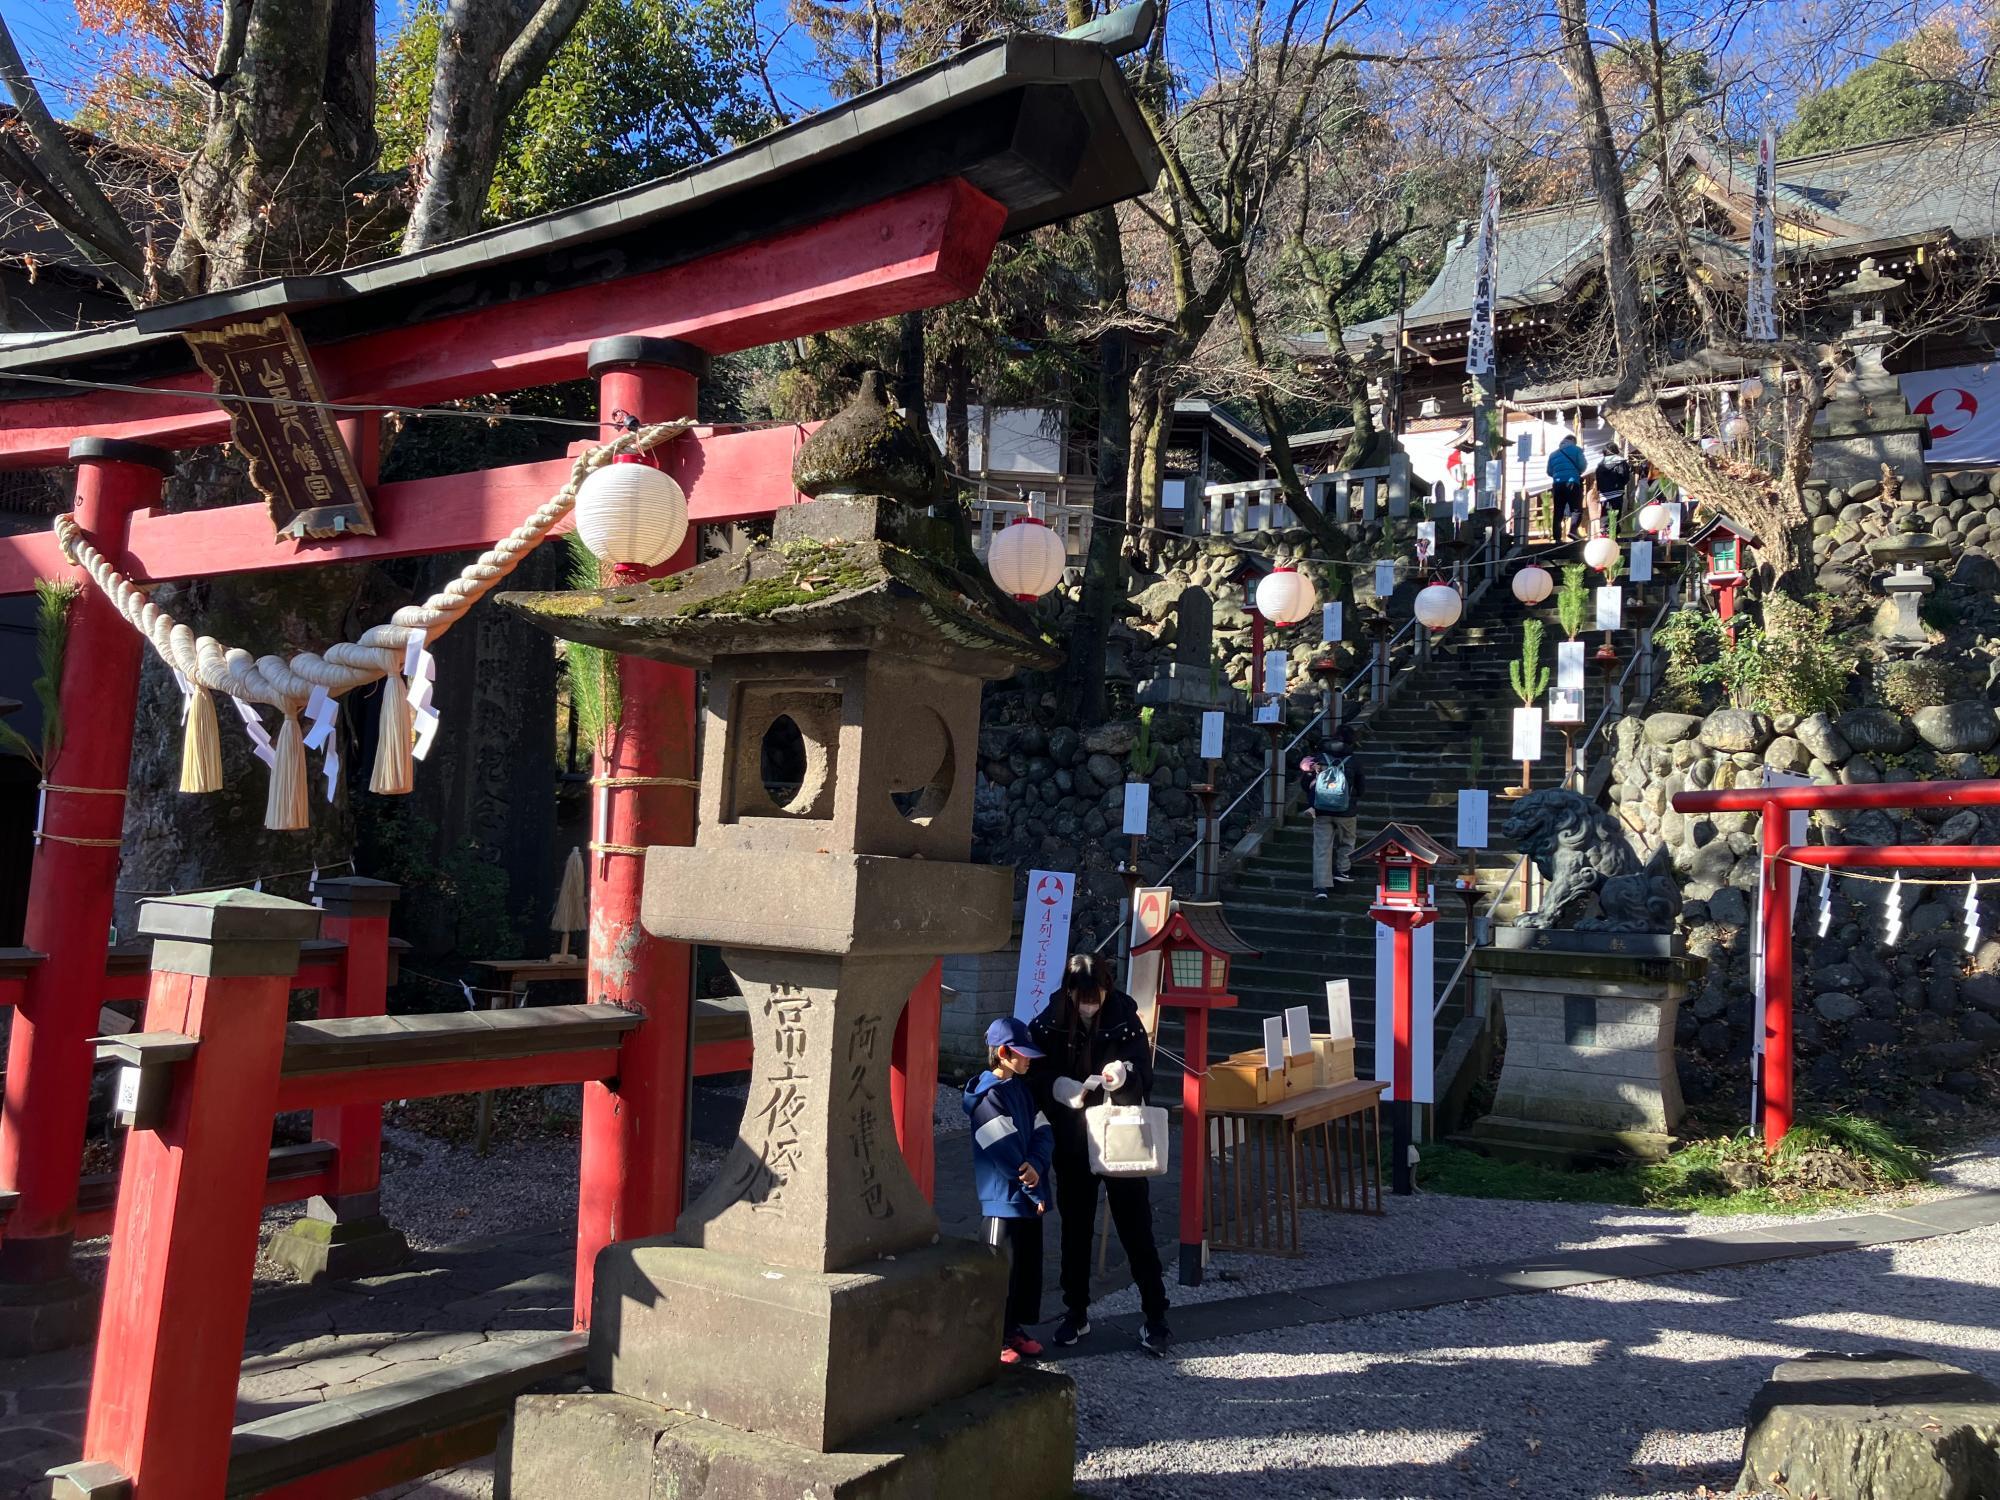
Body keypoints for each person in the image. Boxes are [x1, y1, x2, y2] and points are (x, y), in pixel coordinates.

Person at [1029, 953, 1171, 1355]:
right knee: (1075, 1228)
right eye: (1083, 996)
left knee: (1135, 1225)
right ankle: (1075, 1312)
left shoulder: (1124, 1013)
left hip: (1119, 1136)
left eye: (1097, 995)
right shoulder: (1051, 1016)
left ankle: (1156, 1315)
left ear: (1108, 988)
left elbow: (1144, 1074)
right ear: (1070, 991)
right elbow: (1033, 1072)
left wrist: (1123, 1077)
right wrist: (1058, 1087)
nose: (1090, 1003)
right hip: (1073, 1139)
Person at [965, 1016, 1053, 1365]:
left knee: (1025, 1268)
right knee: (1000, 1270)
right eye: (1022, 1053)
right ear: (1003, 1053)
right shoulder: (987, 1097)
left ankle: (1012, 1328)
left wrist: (1036, 1164)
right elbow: (1004, 1151)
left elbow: (1044, 1130)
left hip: (1025, 1193)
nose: (1028, 1059)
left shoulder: (1020, 1089)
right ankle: (992, 1335)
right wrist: (1034, 1183)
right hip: (1004, 1200)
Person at [1299, 723, 1365, 900]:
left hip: (1321, 810)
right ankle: (1342, 870)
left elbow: (1305, 784)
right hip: (1346, 812)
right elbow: (1362, 789)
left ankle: (1322, 888)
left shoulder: (1319, 758)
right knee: (1348, 841)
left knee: (1322, 847)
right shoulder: (1354, 761)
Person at [1546, 434, 1586, 541]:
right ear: (1573, 441)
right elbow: (1583, 466)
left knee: (1558, 511)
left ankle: (1557, 538)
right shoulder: (1577, 450)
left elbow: (1549, 471)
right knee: (1576, 509)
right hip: (1572, 481)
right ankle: (1573, 531)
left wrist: (1558, 475)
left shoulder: (1553, 454)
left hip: (1557, 484)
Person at [1591, 443, 1631, 531]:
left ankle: (1604, 530)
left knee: (1605, 512)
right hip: (1617, 492)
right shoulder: (1621, 462)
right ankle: (1614, 532)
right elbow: (1625, 476)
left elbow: (1598, 478)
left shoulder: (1600, 464)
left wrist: (1600, 489)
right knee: (1616, 513)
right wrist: (1620, 485)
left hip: (1604, 493)